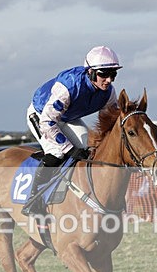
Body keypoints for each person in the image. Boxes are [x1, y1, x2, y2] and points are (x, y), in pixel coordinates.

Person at [22, 45, 122, 216]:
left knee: (88, 149)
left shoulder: (108, 93)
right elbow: (47, 122)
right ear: (90, 72)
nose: (109, 80)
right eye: (104, 74)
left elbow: (114, 122)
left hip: (67, 117)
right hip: (42, 115)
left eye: (113, 74)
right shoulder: (69, 86)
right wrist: (69, 149)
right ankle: (33, 198)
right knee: (57, 152)